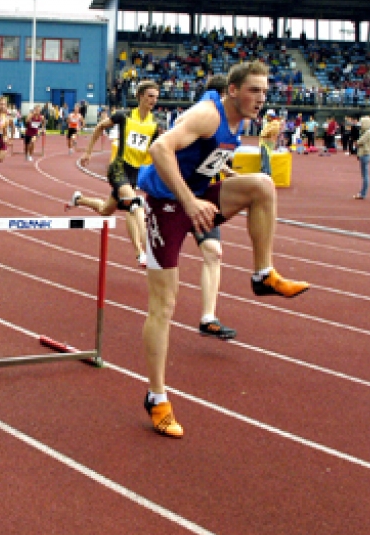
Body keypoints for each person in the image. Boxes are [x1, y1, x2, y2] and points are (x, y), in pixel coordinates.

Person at [137, 62, 310, 438]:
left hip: (200, 196)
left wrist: (222, 182)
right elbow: (159, 148)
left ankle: (263, 274)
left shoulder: (239, 121)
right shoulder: (208, 113)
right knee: (164, 305)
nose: (260, 99)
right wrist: (189, 201)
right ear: (233, 90)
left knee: (262, 185)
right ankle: (156, 397)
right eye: (254, 91)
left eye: (265, 92)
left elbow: (205, 160)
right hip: (167, 205)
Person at [70, 79, 161, 269]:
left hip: (134, 173)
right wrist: (88, 152)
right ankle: (143, 252)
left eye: (156, 97)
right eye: (150, 96)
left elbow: (161, 149)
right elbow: (99, 127)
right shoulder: (124, 116)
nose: (154, 100)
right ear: (140, 96)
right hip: (118, 168)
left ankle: (78, 200)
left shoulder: (155, 124)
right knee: (134, 204)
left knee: (106, 209)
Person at [354, 116, 370, 199]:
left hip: (365, 154)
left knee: (365, 175)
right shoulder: (368, 131)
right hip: (366, 154)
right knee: (364, 175)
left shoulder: (367, 132)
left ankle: (363, 193)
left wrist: (357, 142)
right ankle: (362, 192)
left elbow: (360, 142)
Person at [258, 108, 281, 176]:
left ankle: (266, 173)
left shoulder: (275, 124)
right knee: (264, 157)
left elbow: (265, 133)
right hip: (265, 142)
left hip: (268, 143)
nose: (266, 118)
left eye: (267, 116)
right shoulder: (270, 123)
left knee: (266, 158)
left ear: (271, 116)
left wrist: (263, 134)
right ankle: (265, 172)